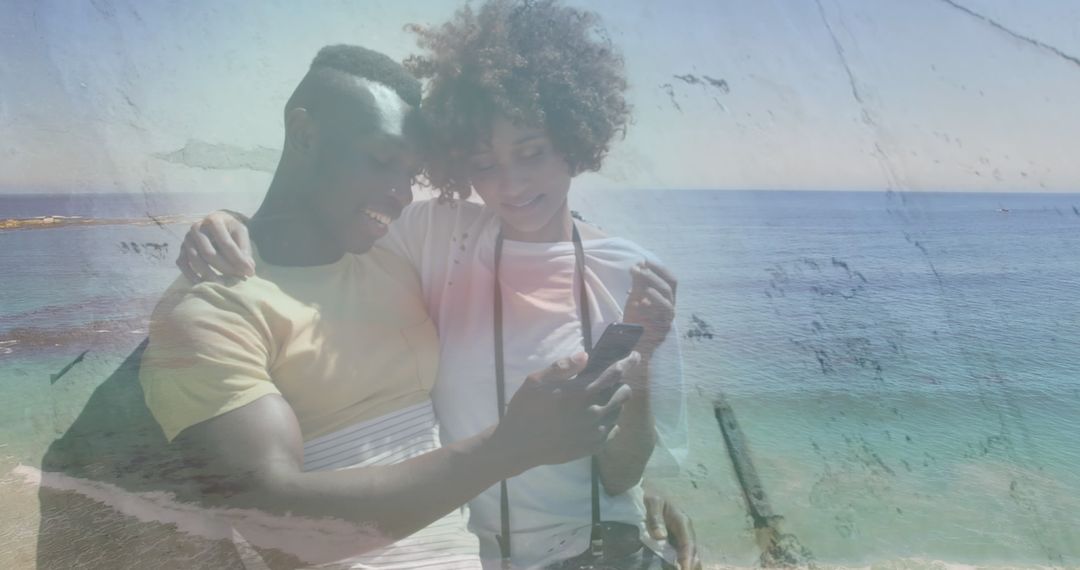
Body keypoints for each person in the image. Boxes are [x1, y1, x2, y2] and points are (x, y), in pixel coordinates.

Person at [180, 2, 699, 568]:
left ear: (574, 141)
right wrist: (233, 225)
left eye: (532, 153)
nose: (511, 184)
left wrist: (642, 359)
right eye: (484, 164)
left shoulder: (627, 274)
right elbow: (327, 217)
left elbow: (622, 473)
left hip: (597, 552)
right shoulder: (433, 234)